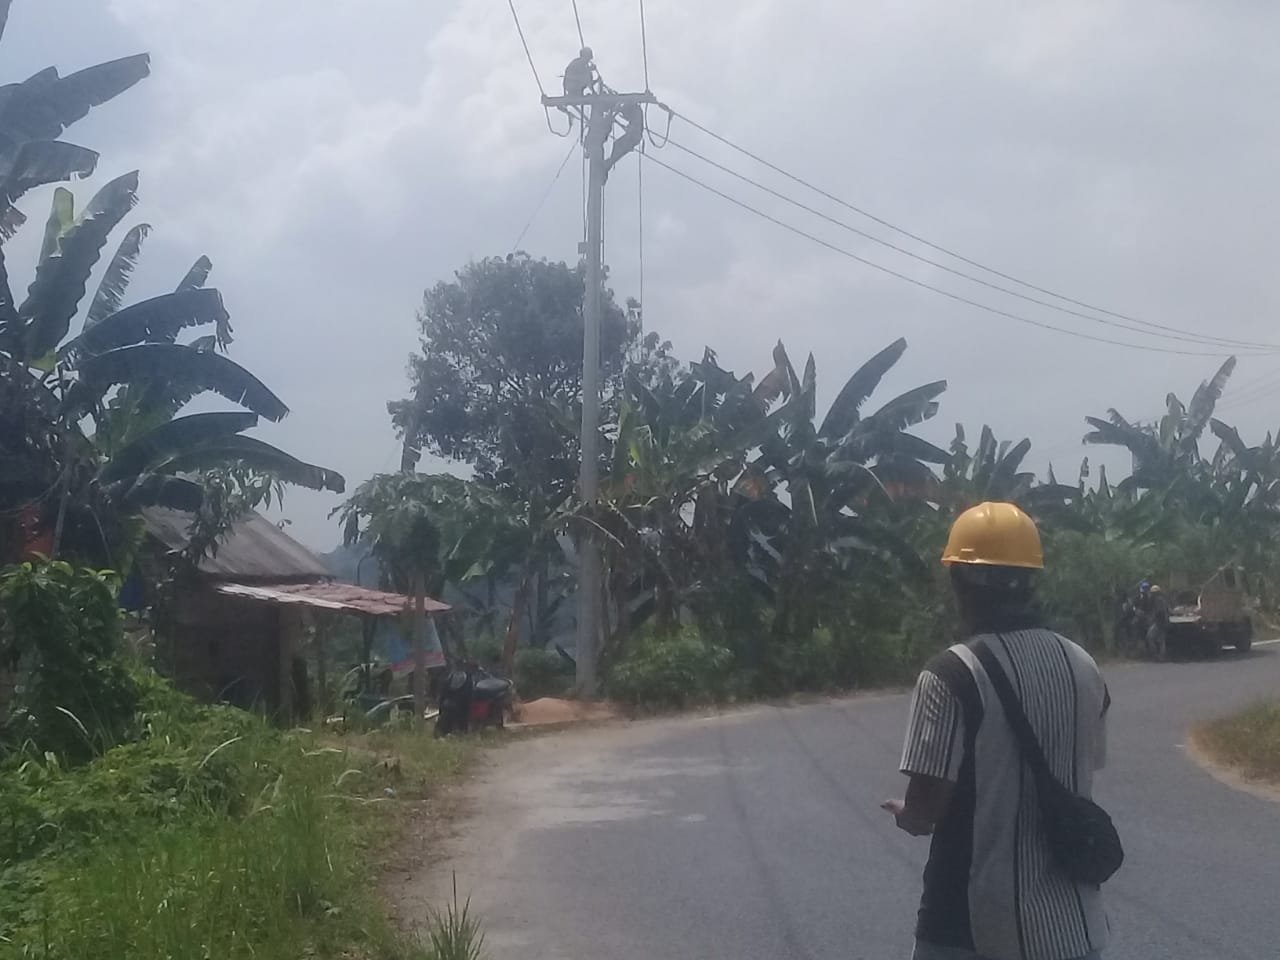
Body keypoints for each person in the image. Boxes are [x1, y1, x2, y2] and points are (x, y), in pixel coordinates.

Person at [883, 501, 1111, 960]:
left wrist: (906, 814)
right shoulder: (1084, 666)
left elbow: (926, 812)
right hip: (1074, 927)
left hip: (971, 928)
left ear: (960, 583)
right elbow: (1089, 763)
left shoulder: (951, 673)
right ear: (1030, 582)